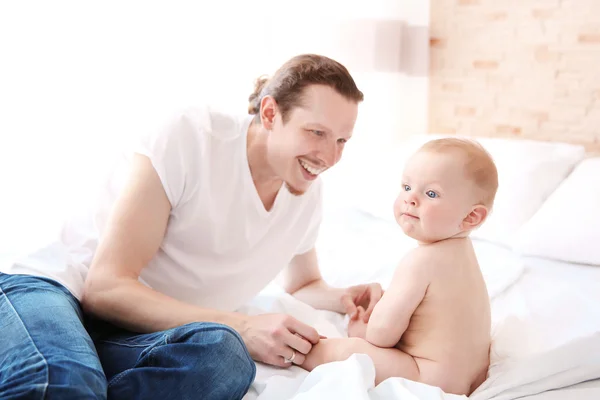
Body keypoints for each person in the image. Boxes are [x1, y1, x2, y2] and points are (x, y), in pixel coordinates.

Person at [0, 54, 385, 400]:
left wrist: (343, 298)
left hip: (140, 332)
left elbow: (302, 284)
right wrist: (245, 326)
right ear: (270, 114)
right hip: (60, 289)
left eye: (341, 141)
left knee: (224, 360)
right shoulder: (193, 136)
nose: (330, 157)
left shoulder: (305, 194)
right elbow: (104, 287)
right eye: (316, 133)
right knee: (63, 379)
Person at [302, 137, 498, 396]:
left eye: (431, 194)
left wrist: (361, 332)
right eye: (406, 186)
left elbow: (381, 335)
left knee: (342, 351)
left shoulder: (420, 261)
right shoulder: (464, 254)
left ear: (471, 217)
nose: (410, 199)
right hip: (472, 375)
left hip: (426, 375)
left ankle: (294, 355)